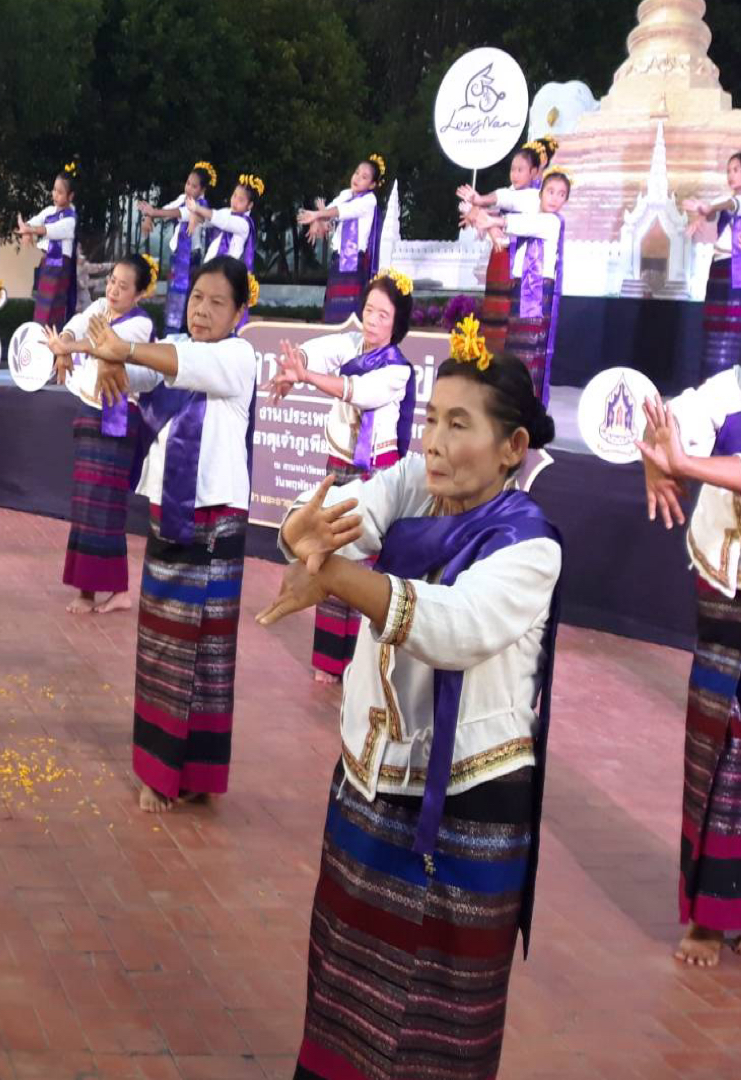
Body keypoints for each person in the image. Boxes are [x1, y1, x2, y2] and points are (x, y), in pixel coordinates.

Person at [260, 318, 561, 1080]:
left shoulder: (529, 545)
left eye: (458, 425)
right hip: (368, 785)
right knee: (343, 990)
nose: (431, 439)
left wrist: (327, 574)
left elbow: (454, 628)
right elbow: (340, 514)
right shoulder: (410, 491)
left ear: (511, 449)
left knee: (431, 1025)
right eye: (429, 417)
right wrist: (301, 531)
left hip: (462, 804)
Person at [74, 256, 257, 814]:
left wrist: (122, 351)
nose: (202, 309)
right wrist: (99, 361)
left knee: (210, 655)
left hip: (218, 522)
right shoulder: (173, 348)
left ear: (238, 312)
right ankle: (157, 773)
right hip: (168, 519)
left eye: (216, 302)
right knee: (162, 649)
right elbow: (140, 376)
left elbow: (178, 364)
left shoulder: (237, 356)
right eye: (197, 297)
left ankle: (197, 773)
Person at [632, 369, 741, 967]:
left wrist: (686, 465)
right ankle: (709, 914)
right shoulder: (733, 388)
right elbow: (672, 419)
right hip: (724, 585)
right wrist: (658, 459)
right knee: (716, 746)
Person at [265, 270, 417, 682]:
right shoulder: (352, 344)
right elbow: (317, 351)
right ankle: (330, 661)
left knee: (362, 566)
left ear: (396, 323)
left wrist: (308, 378)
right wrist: (296, 368)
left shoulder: (397, 371)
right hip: (339, 466)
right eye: (369, 310)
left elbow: (359, 391)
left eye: (383, 315)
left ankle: (362, 662)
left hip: (374, 475)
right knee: (327, 553)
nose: (372, 321)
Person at [46, 256, 160, 617]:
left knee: (105, 505)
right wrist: (64, 342)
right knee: (86, 505)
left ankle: (107, 589)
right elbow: (78, 326)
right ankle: (96, 588)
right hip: (90, 413)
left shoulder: (140, 326)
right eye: (112, 281)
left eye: (123, 286)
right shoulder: (100, 307)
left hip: (117, 420)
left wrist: (69, 348)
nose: (112, 290)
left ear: (139, 294)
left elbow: (107, 347)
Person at [481, 168, 570, 406]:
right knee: (514, 348)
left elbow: (527, 224)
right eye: (551, 191)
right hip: (520, 288)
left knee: (531, 350)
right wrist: (482, 207)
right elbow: (513, 207)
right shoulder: (533, 212)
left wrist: (495, 220)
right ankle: (509, 400)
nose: (555, 198)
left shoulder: (552, 221)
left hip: (538, 292)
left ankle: (524, 405)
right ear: (540, 193)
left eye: (561, 194)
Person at [459, 141, 546, 358]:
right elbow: (486, 220)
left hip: (517, 263)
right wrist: (476, 214)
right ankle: (490, 360)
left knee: (511, 315)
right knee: (493, 314)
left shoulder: (534, 197)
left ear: (534, 172)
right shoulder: (508, 193)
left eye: (520, 170)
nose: (515, 175)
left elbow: (501, 207)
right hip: (498, 260)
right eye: (512, 169)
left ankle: (507, 362)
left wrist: (480, 206)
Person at [297, 155, 387, 322]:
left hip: (355, 263)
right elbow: (331, 210)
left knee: (350, 312)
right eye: (357, 172)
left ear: (372, 185)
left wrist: (317, 215)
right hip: (338, 260)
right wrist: (317, 221)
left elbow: (342, 211)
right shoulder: (346, 194)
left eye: (364, 177)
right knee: (333, 310)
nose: (358, 178)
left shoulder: (369, 200)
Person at [682, 151, 741, 381]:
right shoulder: (725, 203)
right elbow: (720, 210)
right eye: (728, 171)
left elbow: (731, 203)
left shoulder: (731, 202)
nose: (730, 175)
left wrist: (709, 209)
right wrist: (701, 216)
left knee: (729, 332)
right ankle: (711, 384)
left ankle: (724, 386)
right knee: (714, 331)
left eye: (736, 170)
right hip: (719, 270)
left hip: (734, 273)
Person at [136, 162, 214, 335]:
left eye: (194, 186)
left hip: (191, 259)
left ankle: (184, 333)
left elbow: (180, 213)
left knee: (186, 298)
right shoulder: (183, 199)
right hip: (177, 257)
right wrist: (150, 216)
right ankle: (171, 332)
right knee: (173, 296)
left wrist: (153, 213)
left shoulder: (202, 206)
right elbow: (168, 208)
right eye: (187, 183)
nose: (188, 188)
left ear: (202, 189)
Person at [18, 164, 79, 327]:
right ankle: (40, 341)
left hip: (59, 265)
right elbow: (35, 221)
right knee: (42, 308)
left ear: (70, 196)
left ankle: (52, 344)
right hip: (48, 263)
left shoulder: (70, 219)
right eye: (54, 190)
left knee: (53, 310)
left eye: (60, 192)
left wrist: (30, 230)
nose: (55, 195)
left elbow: (51, 230)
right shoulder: (49, 211)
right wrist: (26, 231)